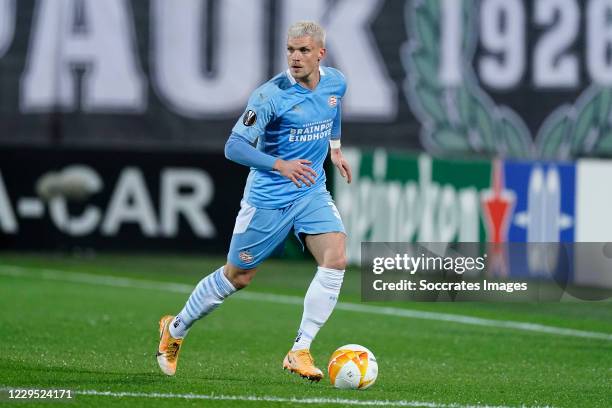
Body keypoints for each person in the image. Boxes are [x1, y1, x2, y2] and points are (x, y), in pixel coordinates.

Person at [156, 21, 352, 382]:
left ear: (320, 54)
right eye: (291, 50)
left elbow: (333, 109)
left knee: (336, 258)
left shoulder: (336, 81)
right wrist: (280, 164)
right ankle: (176, 328)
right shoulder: (270, 96)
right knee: (239, 276)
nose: (295, 57)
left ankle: (300, 349)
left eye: (304, 50)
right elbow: (234, 147)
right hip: (268, 198)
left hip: (311, 190)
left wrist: (335, 150)